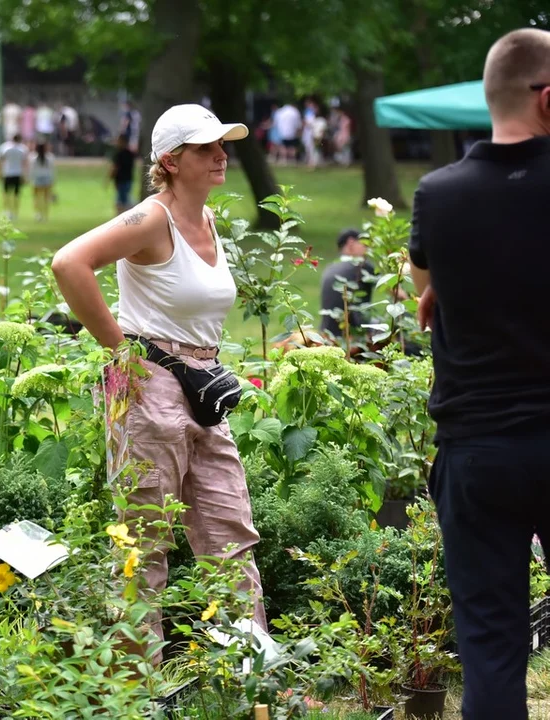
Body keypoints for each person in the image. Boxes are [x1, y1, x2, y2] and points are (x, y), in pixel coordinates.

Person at [51, 103, 268, 654]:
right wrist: (120, 351)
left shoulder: (208, 219)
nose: (222, 155)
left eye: (223, 145)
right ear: (170, 161)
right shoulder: (152, 218)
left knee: (231, 531)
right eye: (205, 148)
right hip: (149, 382)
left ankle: (253, 674)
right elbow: (68, 263)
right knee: (143, 539)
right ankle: (135, 686)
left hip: (202, 384)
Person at [409, 27, 550, 719]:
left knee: (492, 649)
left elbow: (424, 287)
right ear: (548, 99)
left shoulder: (439, 195)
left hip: (478, 453)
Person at [319, 229, 374, 347]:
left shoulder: (330, 268)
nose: (368, 249)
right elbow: (394, 290)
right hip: (354, 337)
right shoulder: (362, 265)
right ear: (351, 243)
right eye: (364, 244)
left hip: (327, 334)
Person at [0, 133, 29, 220]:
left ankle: (7, 210)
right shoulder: (23, 149)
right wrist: (25, 175)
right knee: (16, 194)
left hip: (7, 173)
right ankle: (15, 212)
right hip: (18, 173)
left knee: (6, 193)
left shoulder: (5, 147)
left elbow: (0, 161)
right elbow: (25, 163)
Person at [110, 134, 137, 215]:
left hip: (122, 180)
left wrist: (110, 178)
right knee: (123, 199)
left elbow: (115, 168)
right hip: (128, 179)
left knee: (122, 201)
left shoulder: (119, 154)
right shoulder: (130, 154)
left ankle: (122, 216)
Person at [30, 142, 56, 221]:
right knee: (46, 199)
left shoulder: (33, 157)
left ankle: (38, 214)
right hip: (47, 179)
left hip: (37, 179)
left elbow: (32, 170)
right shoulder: (50, 157)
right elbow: (52, 170)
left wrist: (30, 179)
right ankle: (45, 215)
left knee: (37, 198)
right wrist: (53, 180)